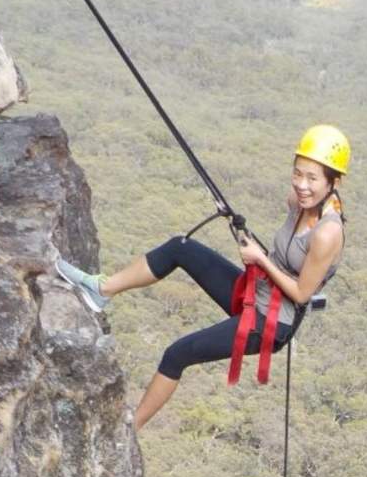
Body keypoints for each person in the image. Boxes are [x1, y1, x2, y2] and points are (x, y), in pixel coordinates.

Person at [55, 125, 349, 430]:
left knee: (177, 354)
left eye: (313, 178)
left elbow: (302, 294)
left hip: (270, 324)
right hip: (253, 291)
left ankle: (129, 429)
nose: (302, 185)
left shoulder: (328, 233)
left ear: (333, 182)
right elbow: (286, 242)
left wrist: (260, 258)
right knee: (180, 248)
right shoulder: (299, 203)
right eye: (298, 174)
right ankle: (102, 290)